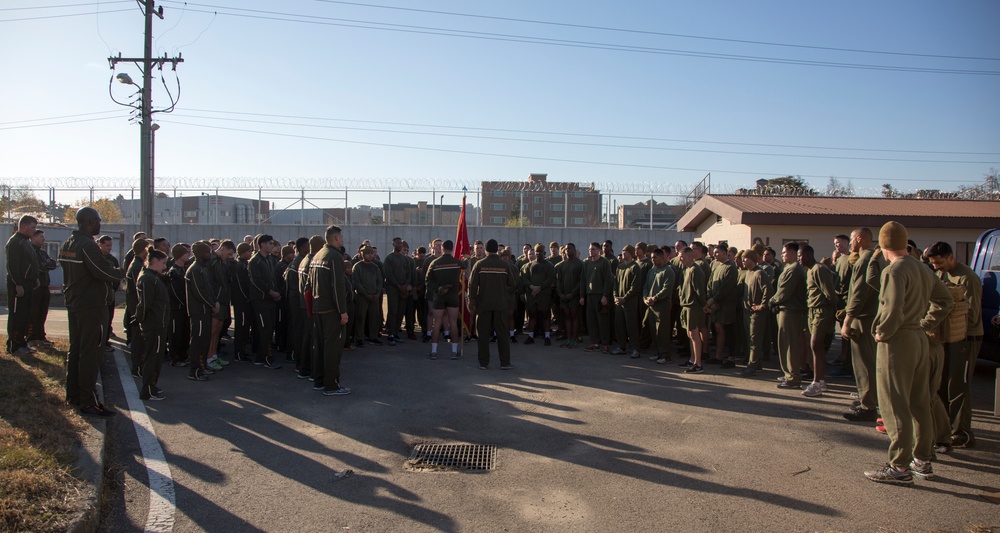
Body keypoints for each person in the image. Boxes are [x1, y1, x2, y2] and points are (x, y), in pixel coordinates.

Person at [864, 221, 952, 485]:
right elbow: (945, 300)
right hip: (918, 338)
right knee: (919, 402)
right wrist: (924, 324)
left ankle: (899, 466)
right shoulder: (923, 268)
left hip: (897, 342)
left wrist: (883, 332)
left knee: (894, 404)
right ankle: (922, 461)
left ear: (882, 245)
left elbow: (892, 309)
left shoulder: (893, 271)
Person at [59, 207, 123, 416]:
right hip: (91, 306)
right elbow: (104, 272)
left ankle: (74, 394)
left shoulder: (69, 243)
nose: (100, 224)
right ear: (87, 222)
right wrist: (125, 271)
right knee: (90, 353)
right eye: (97, 220)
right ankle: (88, 401)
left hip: (76, 303)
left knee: (77, 350)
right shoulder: (87, 245)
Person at [924, 241, 984, 449]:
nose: (936, 267)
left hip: (966, 339)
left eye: (939, 262)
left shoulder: (967, 278)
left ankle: (962, 432)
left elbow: (973, 315)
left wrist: (950, 315)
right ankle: (946, 429)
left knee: (958, 386)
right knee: (941, 384)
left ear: (951, 257)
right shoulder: (941, 275)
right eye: (933, 264)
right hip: (947, 338)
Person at [841, 228, 881, 422]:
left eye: (851, 240)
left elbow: (859, 293)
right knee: (868, 362)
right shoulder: (872, 258)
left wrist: (848, 319)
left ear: (859, 239)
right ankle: (868, 399)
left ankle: (868, 406)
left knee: (864, 364)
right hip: (868, 316)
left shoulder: (865, 260)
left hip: (863, 318)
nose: (850, 244)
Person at [309, 225, 351, 395]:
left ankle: (319, 381)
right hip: (331, 310)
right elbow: (337, 286)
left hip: (318, 307)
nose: (342, 240)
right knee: (332, 348)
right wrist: (342, 310)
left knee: (320, 346)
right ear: (335, 238)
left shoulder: (317, 255)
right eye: (341, 237)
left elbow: (311, 284)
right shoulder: (334, 256)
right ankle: (331, 385)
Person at [469, 239, 516, 369]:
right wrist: (502, 292)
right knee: (502, 334)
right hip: (501, 305)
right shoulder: (505, 265)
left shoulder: (479, 265)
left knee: (483, 335)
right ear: (497, 250)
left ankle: (483, 363)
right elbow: (512, 285)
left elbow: (472, 286)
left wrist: (471, 302)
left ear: (485, 250)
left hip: (483, 305)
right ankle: (505, 362)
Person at [800, 244, 838, 397]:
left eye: (800, 256)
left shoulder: (819, 269)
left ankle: (817, 382)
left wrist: (833, 312)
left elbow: (830, 294)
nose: (799, 259)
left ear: (808, 255)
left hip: (822, 311)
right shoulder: (810, 270)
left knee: (816, 344)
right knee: (816, 346)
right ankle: (820, 380)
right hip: (813, 311)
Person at [769, 242, 807, 390]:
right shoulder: (789, 268)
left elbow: (784, 291)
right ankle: (788, 374)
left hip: (791, 311)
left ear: (792, 253)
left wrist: (772, 301)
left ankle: (793, 377)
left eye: (784, 252)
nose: (782, 255)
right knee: (784, 343)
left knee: (790, 344)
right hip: (785, 310)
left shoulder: (794, 270)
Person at [136, 247, 170, 401]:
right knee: (152, 358)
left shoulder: (153, 277)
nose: (164, 267)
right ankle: (147, 390)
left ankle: (152, 386)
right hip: (154, 325)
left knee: (156, 357)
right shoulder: (147, 279)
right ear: (154, 261)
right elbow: (144, 304)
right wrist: (140, 319)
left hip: (159, 323)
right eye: (163, 263)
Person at [5, 215, 40, 355]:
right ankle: (14, 345)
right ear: (24, 226)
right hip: (18, 284)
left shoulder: (26, 242)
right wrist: (18, 284)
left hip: (28, 283)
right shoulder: (15, 242)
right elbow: (12, 265)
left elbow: (31, 262)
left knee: (26, 314)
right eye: (33, 227)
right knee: (17, 314)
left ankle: (22, 342)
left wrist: (35, 278)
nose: (34, 230)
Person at [425, 240, 464, 359]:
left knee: (436, 323)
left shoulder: (435, 263)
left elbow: (428, 281)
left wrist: (438, 288)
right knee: (453, 323)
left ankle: (434, 352)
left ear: (442, 248)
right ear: (452, 249)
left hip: (439, 295)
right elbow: (466, 266)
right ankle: (454, 352)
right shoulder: (457, 262)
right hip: (453, 296)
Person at [248, 235, 282, 369]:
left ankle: (263, 356)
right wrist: (271, 292)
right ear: (262, 244)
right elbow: (256, 281)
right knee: (265, 329)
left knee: (269, 328)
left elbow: (272, 279)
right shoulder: (255, 261)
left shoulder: (268, 260)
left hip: (270, 300)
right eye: (269, 243)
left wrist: (276, 293)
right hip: (261, 301)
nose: (272, 246)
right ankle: (265, 357)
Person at [185, 241, 218, 381]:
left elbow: (208, 289)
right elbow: (199, 292)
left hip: (205, 311)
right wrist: (212, 304)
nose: (209, 254)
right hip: (198, 312)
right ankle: (195, 370)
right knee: (198, 341)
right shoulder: (195, 270)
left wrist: (213, 302)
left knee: (204, 341)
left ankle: (202, 366)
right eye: (207, 252)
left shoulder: (203, 268)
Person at [741, 250, 773, 376]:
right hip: (747, 311)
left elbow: (768, 290)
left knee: (755, 338)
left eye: (746, 258)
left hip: (756, 312)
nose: (743, 261)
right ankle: (756, 362)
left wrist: (762, 305)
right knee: (750, 338)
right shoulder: (748, 273)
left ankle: (752, 364)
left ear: (752, 259)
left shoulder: (760, 273)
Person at [705, 245, 738, 368]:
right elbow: (710, 283)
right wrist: (710, 299)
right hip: (715, 305)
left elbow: (726, 288)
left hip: (726, 305)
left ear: (724, 253)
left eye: (717, 252)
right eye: (714, 252)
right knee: (718, 329)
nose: (714, 255)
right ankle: (718, 356)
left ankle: (730, 358)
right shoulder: (716, 266)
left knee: (728, 330)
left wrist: (714, 300)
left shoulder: (731, 267)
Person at [643, 247, 676, 364]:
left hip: (662, 305)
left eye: (654, 258)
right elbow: (646, 286)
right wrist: (645, 298)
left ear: (662, 257)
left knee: (662, 330)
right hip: (651, 305)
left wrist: (655, 298)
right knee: (654, 330)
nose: (652, 260)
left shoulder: (668, 271)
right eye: (651, 258)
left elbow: (667, 289)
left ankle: (665, 355)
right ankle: (658, 353)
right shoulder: (652, 271)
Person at [677, 247, 707, 373]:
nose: (680, 260)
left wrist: (704, 305)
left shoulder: (695, 270)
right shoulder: (686, 269)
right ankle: (692, 359)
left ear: (690, 257)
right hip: (686, 306)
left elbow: (700, 291)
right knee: (690, 334)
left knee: (694, 335)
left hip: (693, 306)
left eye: (682, 257)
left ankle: (698, 363)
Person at [26, 229, 57, 348]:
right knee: (33, 312)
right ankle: (30, 336)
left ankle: (40, 336)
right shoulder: (30, 251)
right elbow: (38, 267)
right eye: (40, 237)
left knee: (43, 312)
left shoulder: (42, 253)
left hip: (44, 286)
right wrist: (45, 265)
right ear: (33, 237)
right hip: (35, 286)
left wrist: (45, 264)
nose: (43, 239)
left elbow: (52, 264)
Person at [581, 242, 613, 352]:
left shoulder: (604, 262)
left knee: (602, 320)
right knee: (591, 320)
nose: (591, 251)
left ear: (599, 250)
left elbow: (608, 280)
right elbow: (583, 280)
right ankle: (594, 342)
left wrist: (605, 295)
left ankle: (605, 343)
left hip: (600, 295)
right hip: (590, 295)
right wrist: (582, 296)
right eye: (590, 249)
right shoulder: (586, 262)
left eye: (593, 249)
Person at [523, 243, 556, 346]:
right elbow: (524, 278)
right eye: (537, 251)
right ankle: (531, 336)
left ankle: (547, 336)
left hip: (544, 295)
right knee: (532, 315)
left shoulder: (549, 265)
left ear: (544, 253)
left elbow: (550, 279)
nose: (538, 253)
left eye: (540, 251)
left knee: (546, 315)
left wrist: (540, 288)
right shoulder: (529, 265)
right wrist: (532, 287)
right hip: (532, 295)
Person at [124, 239, 149, 377]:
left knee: (140, 338)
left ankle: (140, 365)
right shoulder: (136, 266)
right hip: (137, 307)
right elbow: (138, 289)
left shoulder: (139, 264)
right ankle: (137, 368)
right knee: (138, 339)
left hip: (138, 306)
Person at [612, 245, 641, 357]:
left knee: (632, 326)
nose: (623, 254)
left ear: (631, 253)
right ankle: (621, 346)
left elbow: (635, 286)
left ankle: (635, 348)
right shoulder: (620, 267)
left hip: (630, 302)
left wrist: (625, 298)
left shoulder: (635, 267)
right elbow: (616, 283)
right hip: (619, 302)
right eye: (622, 252)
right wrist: (616, 296)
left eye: (626, 252)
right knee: (619, 325)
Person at [353, 245, 383, 348]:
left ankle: (373, 337)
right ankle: (359, 338)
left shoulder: (375, 267)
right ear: (362, 254)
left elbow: (380, 281)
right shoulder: (357, 266)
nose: (370, 255)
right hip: (362, 297)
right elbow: (356, 283)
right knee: (361, 317)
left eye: (371, 253)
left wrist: (378, 293)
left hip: (374, 296)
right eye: (367, 253)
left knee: (374, 317)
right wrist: (365, 294)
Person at [383, 237, 411, 346]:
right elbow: (388, 274)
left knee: (400, 311)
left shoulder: (404, 259)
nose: (399, 245)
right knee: (393, 311)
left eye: (401, 243)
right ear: (393, 244)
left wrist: (405, 285)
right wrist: (398, 285)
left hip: (403, 289)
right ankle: (390, 334)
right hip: (393, 288)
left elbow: (408, 273)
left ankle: (395, 333)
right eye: (397, 243)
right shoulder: (389, 258)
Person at [555, 243, 584, 348]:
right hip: (564, 296)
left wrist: (573, 293)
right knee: (567, 317)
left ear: (574, 250)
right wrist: (560, 293)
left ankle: (574, 338)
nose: (568, 251)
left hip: (574, 296)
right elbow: (558, 280)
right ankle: (568, 338)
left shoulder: (580, 264)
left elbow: (581, 281)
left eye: (570, 249)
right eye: (566, 249)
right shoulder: (562, 265)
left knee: (574, 316)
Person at [166, 244, 191, 367]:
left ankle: (183, 355)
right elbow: (175, 292)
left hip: (185, 309)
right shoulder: (173, 271)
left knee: (185, 334)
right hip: (176, 309)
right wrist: (185, 303)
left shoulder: (185, 269)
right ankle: (175, 358)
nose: (188, 255)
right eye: (186, 253)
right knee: (176, 334)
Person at [98, 235, 120, 348]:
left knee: (109, 318)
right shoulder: (96, 258)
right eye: (107, 245)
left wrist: (113, 289)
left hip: (110, 293)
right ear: (100, 245)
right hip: (99, 294)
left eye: (110, 245)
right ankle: (100, 342)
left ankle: (106, 340)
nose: (109, 248)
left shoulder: (112, 260)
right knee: (99, 319)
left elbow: (117, 276)